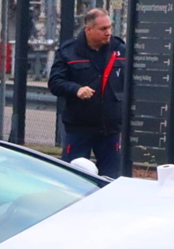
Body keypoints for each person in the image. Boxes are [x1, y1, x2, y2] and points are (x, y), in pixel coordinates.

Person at [49, 9, 126, 177]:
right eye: (103, 29)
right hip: (79, 128)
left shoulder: (120, 49)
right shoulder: (69, 51)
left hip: (110, 129)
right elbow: (55, 83)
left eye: (110, 27)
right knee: (72, 177)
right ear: (89, 30)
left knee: (112, 178)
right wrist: (76, 89)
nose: (108, 32)